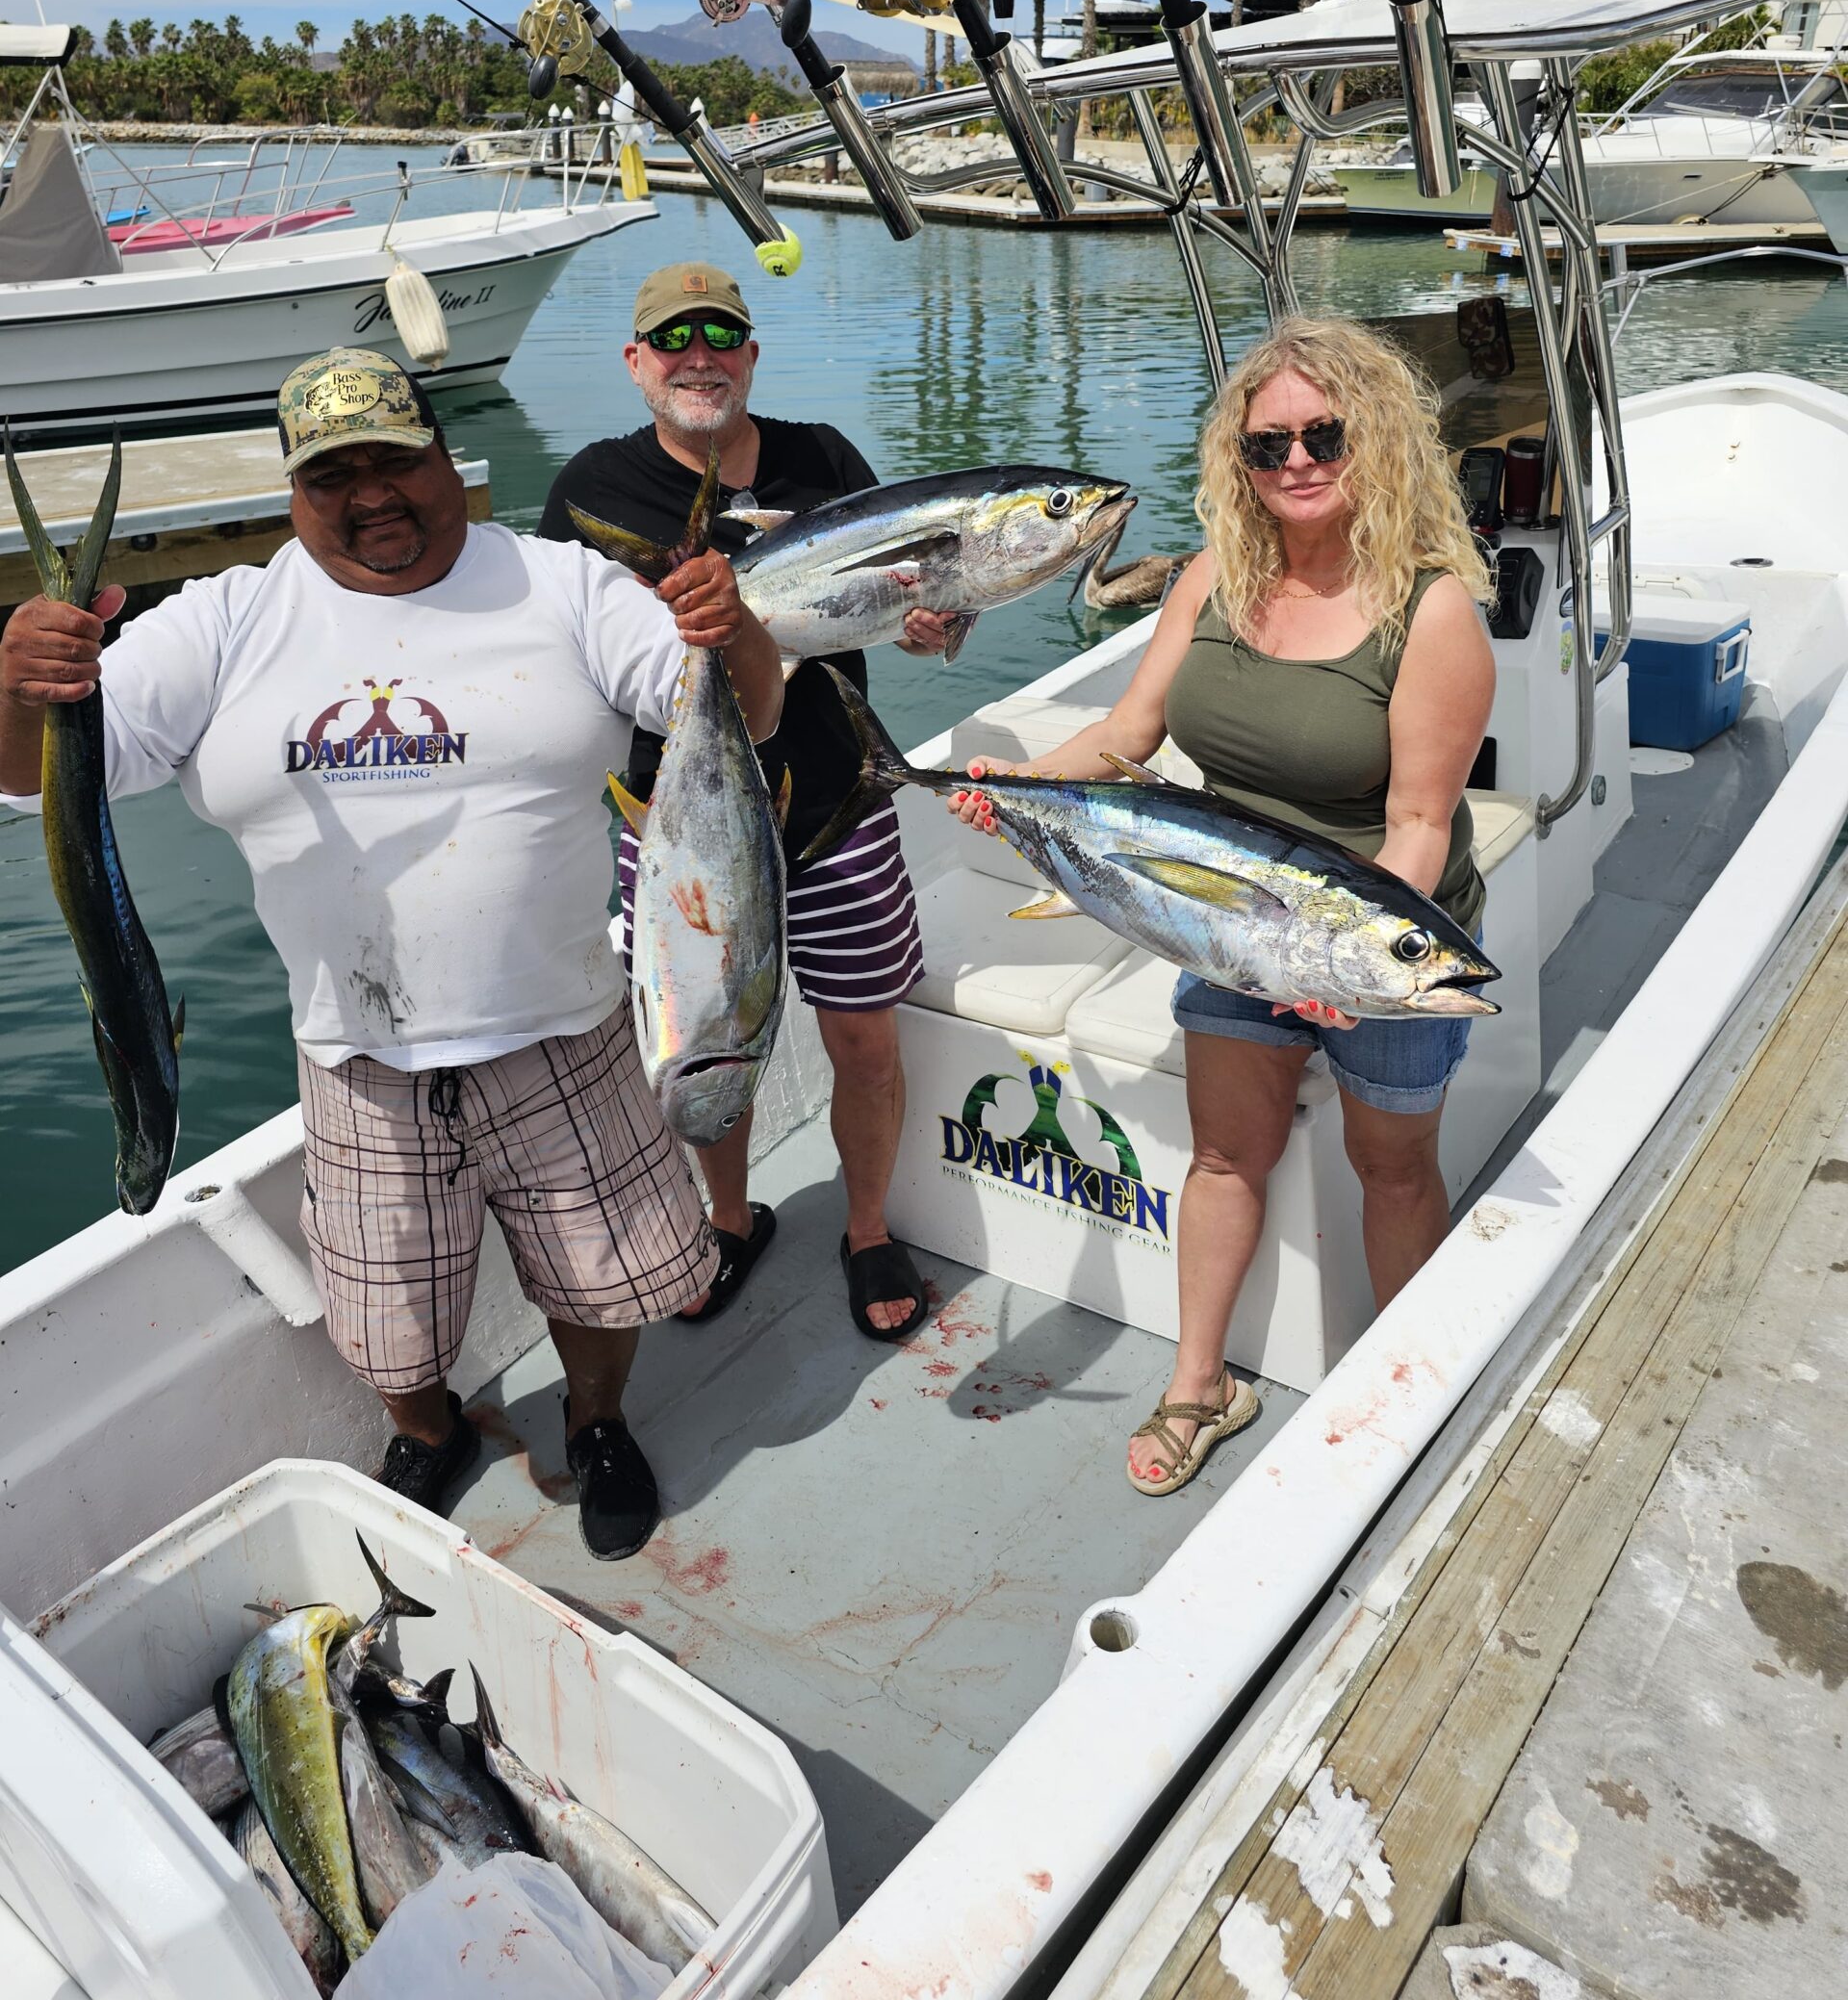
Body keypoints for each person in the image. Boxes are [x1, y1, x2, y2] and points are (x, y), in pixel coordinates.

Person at [0, 346, 784, 1560]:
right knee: (388, 1326)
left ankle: (597, 1421)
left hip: (567, 1025)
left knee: (608, 1281)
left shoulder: (562, 584)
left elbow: (742, 708)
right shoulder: (223, 619)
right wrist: (25, 683)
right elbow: (28, 770)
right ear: (292, 489)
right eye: (334, 475)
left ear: (442, 456)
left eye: (395, 460)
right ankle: (431, 1431)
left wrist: (733, 631)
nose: (374, 494)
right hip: (355, 1056)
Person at [951, 315, 1495, 1495]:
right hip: (1225, 914)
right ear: (1238, 461)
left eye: (1324, 434)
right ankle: (1203, 1383)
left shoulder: (1433, 611)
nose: (1296, 460)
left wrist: (1347, 961)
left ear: (1377, 439)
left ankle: (1412, 1383)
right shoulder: (1213, 576)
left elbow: (1416, 826)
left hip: (1382, 926)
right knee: (1221, 1157)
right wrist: (1017, 791)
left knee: (1393, 1167)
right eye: (1267, 445)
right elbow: (1125, 737)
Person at [541, 261, 956, 1342]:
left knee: (864, 1040)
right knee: (703, 1036)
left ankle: (867, 1226)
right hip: (678, 834)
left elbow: (908, 599)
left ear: (752, 354)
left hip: (835, 805)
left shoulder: (826, 459)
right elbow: (553, 657)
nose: (700, 353)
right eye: (672, 337)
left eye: (722, 333)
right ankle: (731, 1217)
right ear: (636, 364)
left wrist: (935, 623)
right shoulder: (591, 487)